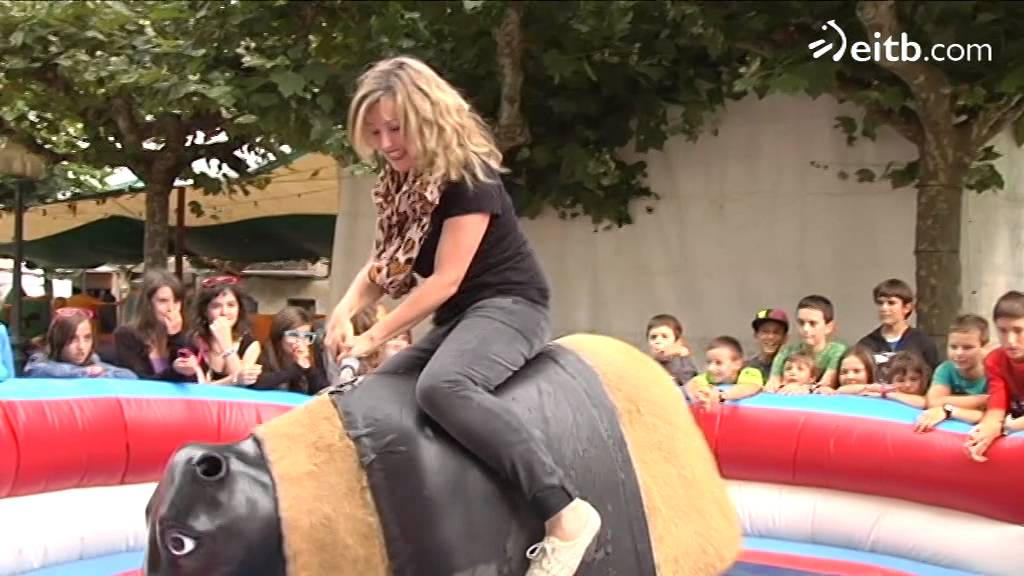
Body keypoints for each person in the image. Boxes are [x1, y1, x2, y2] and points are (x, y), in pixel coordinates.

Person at [324, 56, 600, 575]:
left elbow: (446, 280)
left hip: (510, 306)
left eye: (397, 128)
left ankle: (565, 512)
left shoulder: (470, 176)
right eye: (376, 131)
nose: (386, 142)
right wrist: (342, 311)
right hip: (460, 317)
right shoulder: (402, 181)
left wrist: (374, 335)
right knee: (376, 390)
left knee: (443, 388)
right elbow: (383, 264)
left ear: (427, 117)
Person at [113, 269, 193, 382]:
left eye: (176, 302)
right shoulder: (126, 335)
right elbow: (138, 382)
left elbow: (189, 381)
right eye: (163, 301)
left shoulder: (187, 337)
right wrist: (174, 370)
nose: (171, 309)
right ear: (148, 304)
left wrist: (175, 337)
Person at [856, 279, 939, 382]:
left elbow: (933, 381)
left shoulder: (923, 343)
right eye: (880, 303)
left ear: (907, 308)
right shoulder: (866, 344)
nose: (884, 308)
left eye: (891, 303)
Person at [25, 308, 137, 379]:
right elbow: (37, 370)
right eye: (73, 339)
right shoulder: (39, 361)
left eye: (87, 338)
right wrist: (85, 373)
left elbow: (129, 376)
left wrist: (99, 372)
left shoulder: (93, 361)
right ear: (58, 340)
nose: (81, 347)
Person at [765, 295, 846, 392]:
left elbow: (825, 384)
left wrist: (803, 388)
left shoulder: (837, 351)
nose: (805, 329)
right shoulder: (786, 351)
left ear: (829, 327)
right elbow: (772, 383)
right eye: (801, 323)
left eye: (812, 323)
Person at [254, 306, 328, 395]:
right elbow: (257, 384)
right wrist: (297, 368)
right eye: (294, 335)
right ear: (279, 336)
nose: (300, 342)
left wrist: (308, 369)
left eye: (306, 336)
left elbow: (323, 392)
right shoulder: (265, 352)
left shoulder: (313, 352)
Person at [685, 336, 763, 409]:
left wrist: (721, 395)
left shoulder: (748, 372)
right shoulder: (709, 376)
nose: (711, 368)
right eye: (708, 362)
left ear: (737, 364)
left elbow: (750, 387)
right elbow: (692, 383)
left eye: (718, 363)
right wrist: (698, 394)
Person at [646, 313, 697, 387]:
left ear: (676, 342)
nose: (658, 341)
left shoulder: (683, 364)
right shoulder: (647, 364)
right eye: (653, 337)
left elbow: (689, 387)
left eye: (664, 336)